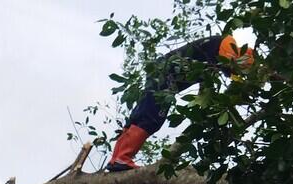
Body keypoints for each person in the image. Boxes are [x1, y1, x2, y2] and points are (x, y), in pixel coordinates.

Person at [105, 34, 256, 172]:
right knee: (152, 118)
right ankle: (122, 158)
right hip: (165, 74)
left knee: (140, 115)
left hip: (162, 72)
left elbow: (208, 85)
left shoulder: (215, 58)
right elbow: (219, 72)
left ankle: (116, 160)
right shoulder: (227, 44)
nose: (232, 73)